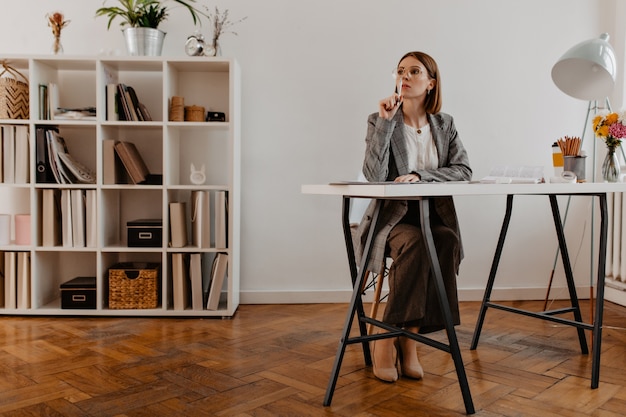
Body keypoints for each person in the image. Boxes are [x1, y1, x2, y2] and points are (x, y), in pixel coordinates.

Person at [354, 51, 472, 383]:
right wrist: (385, 124)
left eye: (414, 71)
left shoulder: (444, 123)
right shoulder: (380, 121)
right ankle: (388, 340)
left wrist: (422, 176)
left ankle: (410, 341)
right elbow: (374, 176)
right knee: (419, 243)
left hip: (434, 215)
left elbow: (463, 170)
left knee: (446, 239)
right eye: (400, 70)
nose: (404, 76)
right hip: (394, 220)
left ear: (431, 83)